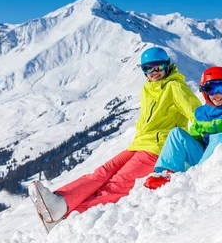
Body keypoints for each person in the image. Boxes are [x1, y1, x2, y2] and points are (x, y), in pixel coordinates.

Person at [28, 47, 201, 231]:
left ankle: (69, 222)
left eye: (158, 66)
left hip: (158, 149)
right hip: (139, 145)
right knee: (100, 174)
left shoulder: (175, 87)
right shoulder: (148, 89)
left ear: (167, 65)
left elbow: (197, 113)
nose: (154, 72)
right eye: (148, 68)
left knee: (116, 185)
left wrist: (206, 137)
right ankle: (60, 204)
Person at [144, 66, 222, 189]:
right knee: (176, 133)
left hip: (220, 160)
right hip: (201, 158)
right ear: (204, 91)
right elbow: (193, 138)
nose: (217, 94)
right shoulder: (201, 113)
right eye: (211, 89)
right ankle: (165, 173)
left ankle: (196, 176)